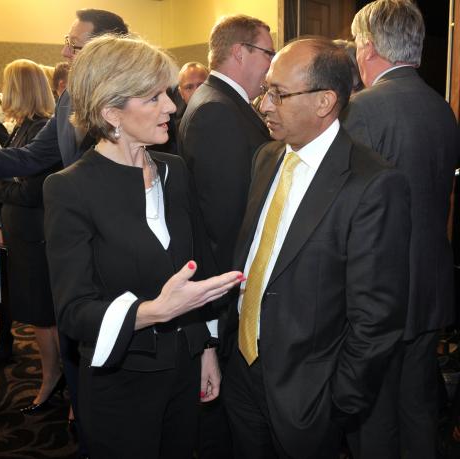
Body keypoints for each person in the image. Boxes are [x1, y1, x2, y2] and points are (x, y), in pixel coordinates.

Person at [43, 33, 243, 459]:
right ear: (110, 111)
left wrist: (206, 348)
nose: (171, 106)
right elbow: (75, 312)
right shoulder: (70, 189)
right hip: (122, 379)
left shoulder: (175, 171)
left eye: (167, 94)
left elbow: (199, 271)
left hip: (185, 369)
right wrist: (155, 311)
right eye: (154, 98)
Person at [222, 37, 411, 459]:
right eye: (266, 89)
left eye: (279, 94)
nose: (264, 105)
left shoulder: (372, 183)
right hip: (242, 372)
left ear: (325, 101)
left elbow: (376, 318)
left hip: (309, 396)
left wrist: (338, 402)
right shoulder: (267, 157)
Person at [0, 9, 129, 457]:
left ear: (106, 48)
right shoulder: (67, 101)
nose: (64, 52)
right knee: (76, 355)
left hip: (118, 259)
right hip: (72, 255)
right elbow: (28, 158)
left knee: (116, 372)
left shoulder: (136, 99)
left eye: (74, 44)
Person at [341, 1, 459, 458]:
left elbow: (348, 210)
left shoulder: (361, 111)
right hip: (430, 286)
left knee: (372, 416)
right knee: (418, 408)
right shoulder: (441, 107)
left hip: (380, 293)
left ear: (367, 47)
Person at [178, 14, 273, 458]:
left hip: (226, 299)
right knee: (225, 423)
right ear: (241, 53)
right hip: (226, 298)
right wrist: (217, 321)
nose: (270, 68)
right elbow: (226, 225)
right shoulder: (217, 110)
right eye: (267, 54)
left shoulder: (222, 103)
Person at [0, 59, 63, 414]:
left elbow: (33, 193)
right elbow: (11, 181)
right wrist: (1, 216)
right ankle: (52, 376)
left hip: (36, 237)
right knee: (37, 316)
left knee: (45, 316)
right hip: (20, 233)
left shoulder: (42, 129)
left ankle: (53, 379)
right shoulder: (22, 128)